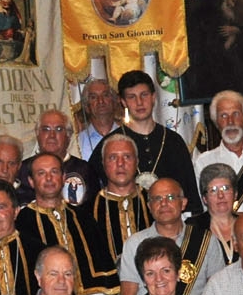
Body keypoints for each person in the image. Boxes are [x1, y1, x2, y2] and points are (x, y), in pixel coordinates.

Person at [85, 71, 199, 211]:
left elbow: (191, 197)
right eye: (132, 97)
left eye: (144, 95)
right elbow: (93, 196)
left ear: (153, 97)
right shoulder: (111, 145)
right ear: (123, 102)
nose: (139, 103)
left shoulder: (173, 141)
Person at [118, 177, 218, 295]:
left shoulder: (206, 240)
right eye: (157, 199)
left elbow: (217, 293)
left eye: (171, 197)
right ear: (149, 206)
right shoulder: (134, 244)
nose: (164, 203)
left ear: (183, 203)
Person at [77, 132, 152, 295]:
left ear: (137, 162)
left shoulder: (154, 203)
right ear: (103, 164)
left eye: (127, 157)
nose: (120, 163)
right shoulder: (85, 213)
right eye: (113, 158)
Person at [18, 152, 90, 263]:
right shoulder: (22, 222)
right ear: (31, 181)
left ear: (63, 178)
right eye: (41, 173)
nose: (49, 178)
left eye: (54, 172)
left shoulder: (83, 218)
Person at [21, 108, 94, 205]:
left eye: (59, 129)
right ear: (37, 134)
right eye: (46, 129)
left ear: (68, 136)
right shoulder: (23, 170)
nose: (52, 135)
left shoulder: (85, 170)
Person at [74, 78, 120, 161]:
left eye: (105, 95)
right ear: (87, 107)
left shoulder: (127, 135)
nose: (100, 101)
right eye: (93, 97)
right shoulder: (78, 143)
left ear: (114, 102)